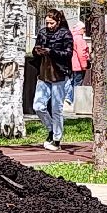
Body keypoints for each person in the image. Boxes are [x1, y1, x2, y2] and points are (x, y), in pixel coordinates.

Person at [32, 8, 74, 150]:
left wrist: (52, 52)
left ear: (58, 21)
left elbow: (68, 54)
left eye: (51, 23)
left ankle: (56, 139)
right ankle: (51, 129)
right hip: (43, 74)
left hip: (59, 75)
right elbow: (35, 50)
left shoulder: (65, 34)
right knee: (38, 106)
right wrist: (37, 51)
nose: (49, 26)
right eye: (47, 23)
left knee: (57, 108)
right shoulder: (42, 32)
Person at [66, 14, 91, 105]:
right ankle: (73, 99)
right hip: (78, 65)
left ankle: (69, 97)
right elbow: (82, 54)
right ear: (80, 29)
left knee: (72, 81)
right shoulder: (79, 39)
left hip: (72, 64)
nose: (84, 30)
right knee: (78, 83)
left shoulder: (72, 37)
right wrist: (84, 65)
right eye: (83, 28)